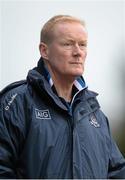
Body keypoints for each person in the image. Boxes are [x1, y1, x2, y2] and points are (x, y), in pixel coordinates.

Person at [0, 15, 125, 179]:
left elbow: (117, 173)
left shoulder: (95, 114)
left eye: (82, 44)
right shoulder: (16, 103)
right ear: (44, 50)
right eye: (68, 44)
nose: (78, 52)